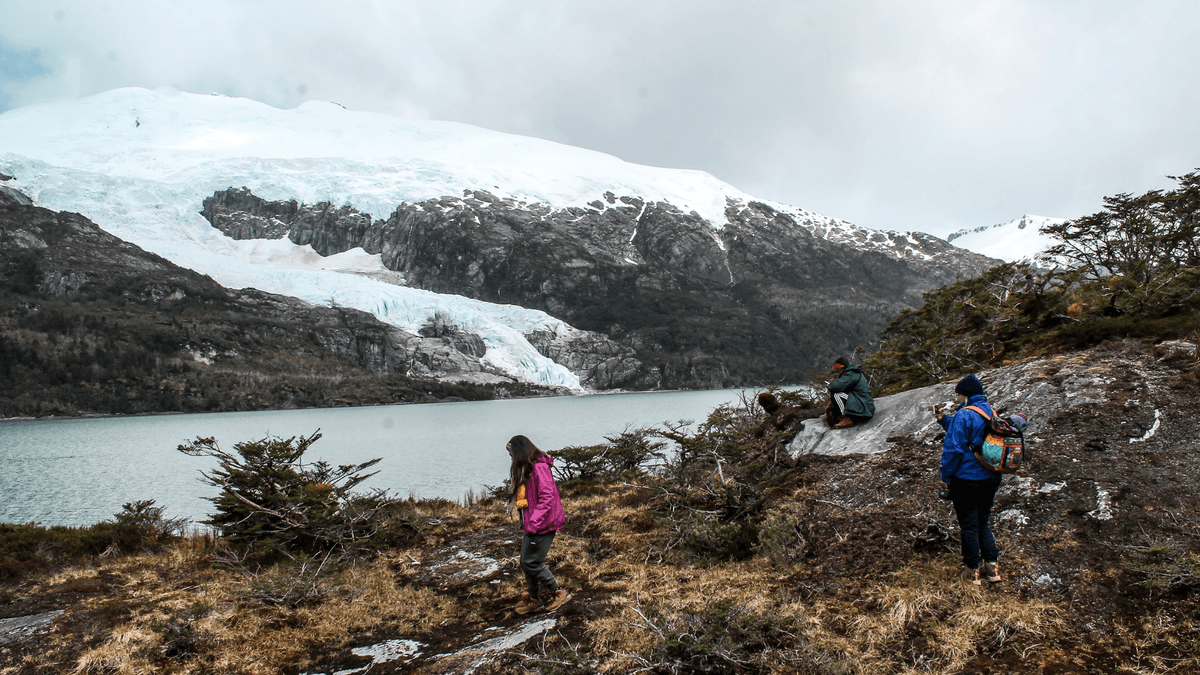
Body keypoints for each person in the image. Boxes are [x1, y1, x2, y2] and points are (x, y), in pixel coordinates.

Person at [936, 374, 1003, 585]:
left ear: (965, 395)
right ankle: (992, 568)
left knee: (968, 524)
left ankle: (971, 570)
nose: (956, 399)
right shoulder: (990, 411)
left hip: (966, 478)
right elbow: (974, 437)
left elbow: (954, 448)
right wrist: (943, 421)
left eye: (958, 395)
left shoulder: (963, 414)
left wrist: (945, 476)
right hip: (990, 476)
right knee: (983, 521)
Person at [507, 435, 569, 614]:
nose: (511, 459)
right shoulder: (529, 469)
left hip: (543, 523)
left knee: (532, 562)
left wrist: (534, 520)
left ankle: (557, 591)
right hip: (534, 524)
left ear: (521, 452)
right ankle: (534, 598)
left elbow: (547, 497)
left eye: (512, 454)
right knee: (526, 562)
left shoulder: (539, 468)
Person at [751, 392, 804, 465]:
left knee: (778, 442)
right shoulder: (781, 411)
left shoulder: (776, 417)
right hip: (793, 431)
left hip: (793, 432)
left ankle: (789, 461)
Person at [825, 357, 875, 429]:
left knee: (837, 395)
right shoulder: (853, 372)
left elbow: (838, 386)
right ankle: (844, 417)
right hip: (863, 403)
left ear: (842, 366)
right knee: (839, 395)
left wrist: (829, 386)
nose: (838, 372)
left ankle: (846, 418)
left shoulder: (851, 373)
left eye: (838, 369)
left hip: (863, 405)